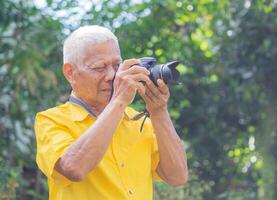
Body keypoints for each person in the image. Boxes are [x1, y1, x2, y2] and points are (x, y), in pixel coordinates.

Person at [34, 25, 188, 200]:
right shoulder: (51, 120)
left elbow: (178, 177)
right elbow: (73, 169)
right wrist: (119, 101)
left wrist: (159, 111)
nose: (111, 75)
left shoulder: (135, 120)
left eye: (117, 65)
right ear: (70, 72)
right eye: (99, 68)